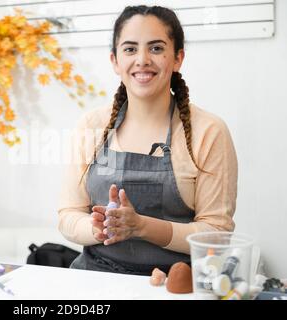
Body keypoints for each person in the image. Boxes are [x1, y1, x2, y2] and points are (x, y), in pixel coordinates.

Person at [57, 5, 238, 275]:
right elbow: (68, 214)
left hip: (178, 283)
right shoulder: (91, 126)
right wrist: (101, 227)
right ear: (115, 61)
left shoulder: (209, 131)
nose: (142, 59)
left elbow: (217, 234)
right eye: (130, 49)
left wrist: (142, 226)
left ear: (178, 58)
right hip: (96, 279)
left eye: (156, 48)